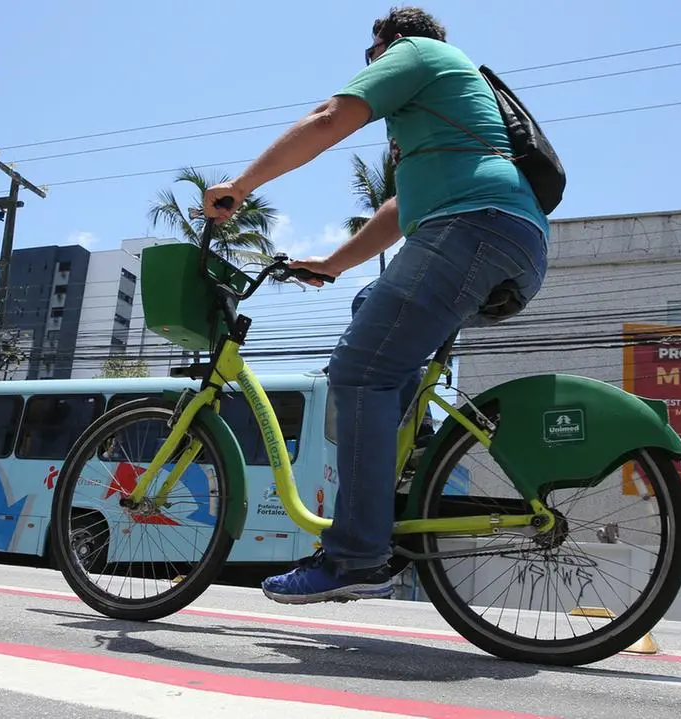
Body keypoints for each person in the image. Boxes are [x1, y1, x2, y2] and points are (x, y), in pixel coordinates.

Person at [203, 6, 551, 604]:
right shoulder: (439, 116)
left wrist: (241, 185)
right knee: (372, 305)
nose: (372, 64)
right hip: (509, 241)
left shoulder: (415, 52)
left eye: (372, 55)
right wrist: (334, 264)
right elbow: (399, 209)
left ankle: (355, 556)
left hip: (472, 227)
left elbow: (329, 118)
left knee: (361, 371)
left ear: (389, 44)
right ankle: (409, 439)